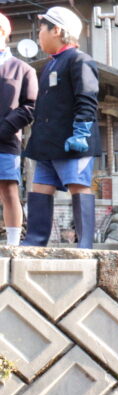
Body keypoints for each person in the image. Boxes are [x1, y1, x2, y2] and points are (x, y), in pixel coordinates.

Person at [21, 7, 99, 249]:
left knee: (78, 186)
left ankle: (84, 244)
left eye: (42, 28)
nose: (38, 34)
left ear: (57, 30)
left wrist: (81, 132)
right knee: (40, 188)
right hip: (46, 144)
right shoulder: (50, 65)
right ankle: (35, 242)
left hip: (72, 141)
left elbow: (87, 98)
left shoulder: (79, 60)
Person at [0, 11, 37, 246]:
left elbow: (30, 106)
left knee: (8, 189)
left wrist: (5, 127)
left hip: (5, 139)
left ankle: (14, 244)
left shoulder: (23, 69)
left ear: (4, 33)